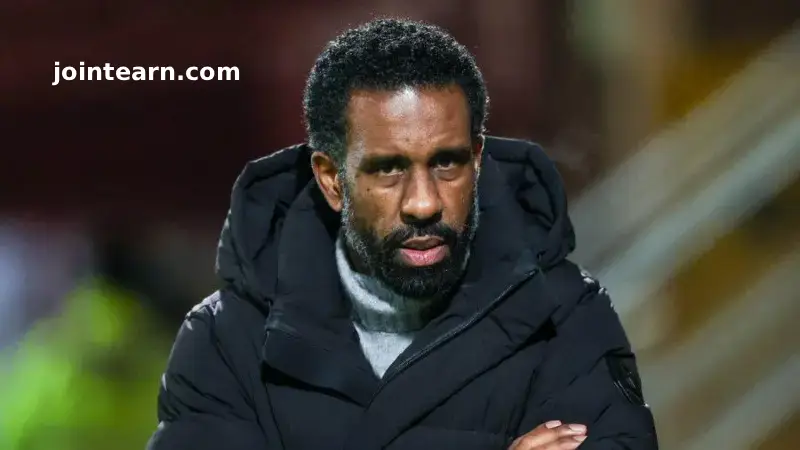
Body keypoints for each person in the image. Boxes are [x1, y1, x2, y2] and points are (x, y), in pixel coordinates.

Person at [146, 18, 658, 450]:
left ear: (478, 159)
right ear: (331, 179)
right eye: (389, 169)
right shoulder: (225, 342)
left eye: (447, 163)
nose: (423, 203)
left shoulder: (567, 316)